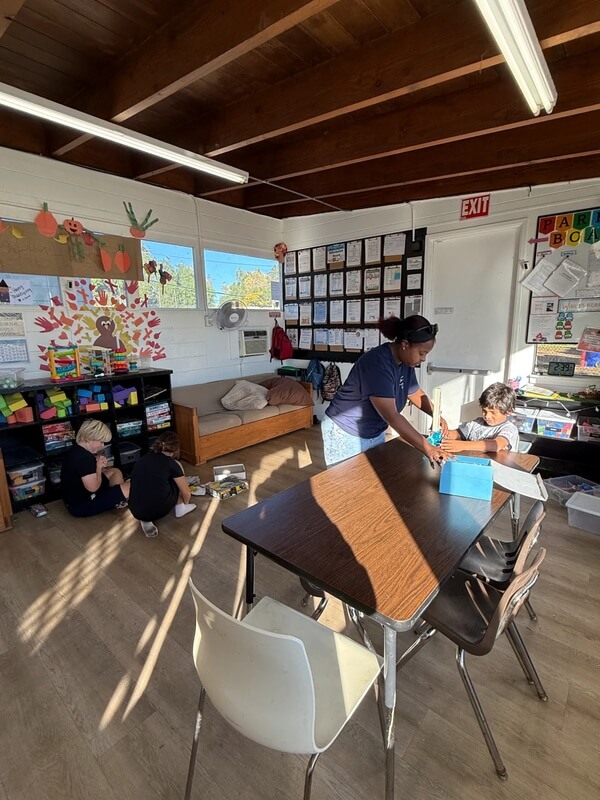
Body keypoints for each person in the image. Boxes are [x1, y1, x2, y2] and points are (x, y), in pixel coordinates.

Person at [321, 314, 447, 467]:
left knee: (374, 480)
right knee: (345, 486)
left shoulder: (406, 363)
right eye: (422, 353)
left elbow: (414, 392)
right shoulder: (377, 363)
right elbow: (391, 415)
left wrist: (436, 415)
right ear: (405, 344)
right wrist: (429, 449)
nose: (424, 359)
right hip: (345, 430)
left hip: (373, 430)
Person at [128, 432, 196, 537]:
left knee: (149, 482)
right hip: (160, 509)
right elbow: (186, 492)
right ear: (175, 449)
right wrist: (185, 501)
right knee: (176, 477)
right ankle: (181, 507)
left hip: (135, 509)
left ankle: (145, 519)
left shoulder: (142, 459)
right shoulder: (171, 463)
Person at [61, 418, 129, 517]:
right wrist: (98, 467)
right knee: (131, 485)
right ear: (89, 439)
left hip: (74, 499)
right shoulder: (84, 459)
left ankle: (117, 499)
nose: (102, 446)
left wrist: (98, 466)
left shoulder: (76, 449)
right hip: (82, 506)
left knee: (115, 471)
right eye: (101, 442)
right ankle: (117, 498)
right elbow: (93, 488)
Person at [441, 382, 519, 453]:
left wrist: (462, 445)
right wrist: (442, 434)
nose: (487, 416)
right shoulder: (476, 423)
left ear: (509, 411)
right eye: (484, 410)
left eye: (493, 412)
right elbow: (457, 434)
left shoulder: (509, 429)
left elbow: (496, 445)